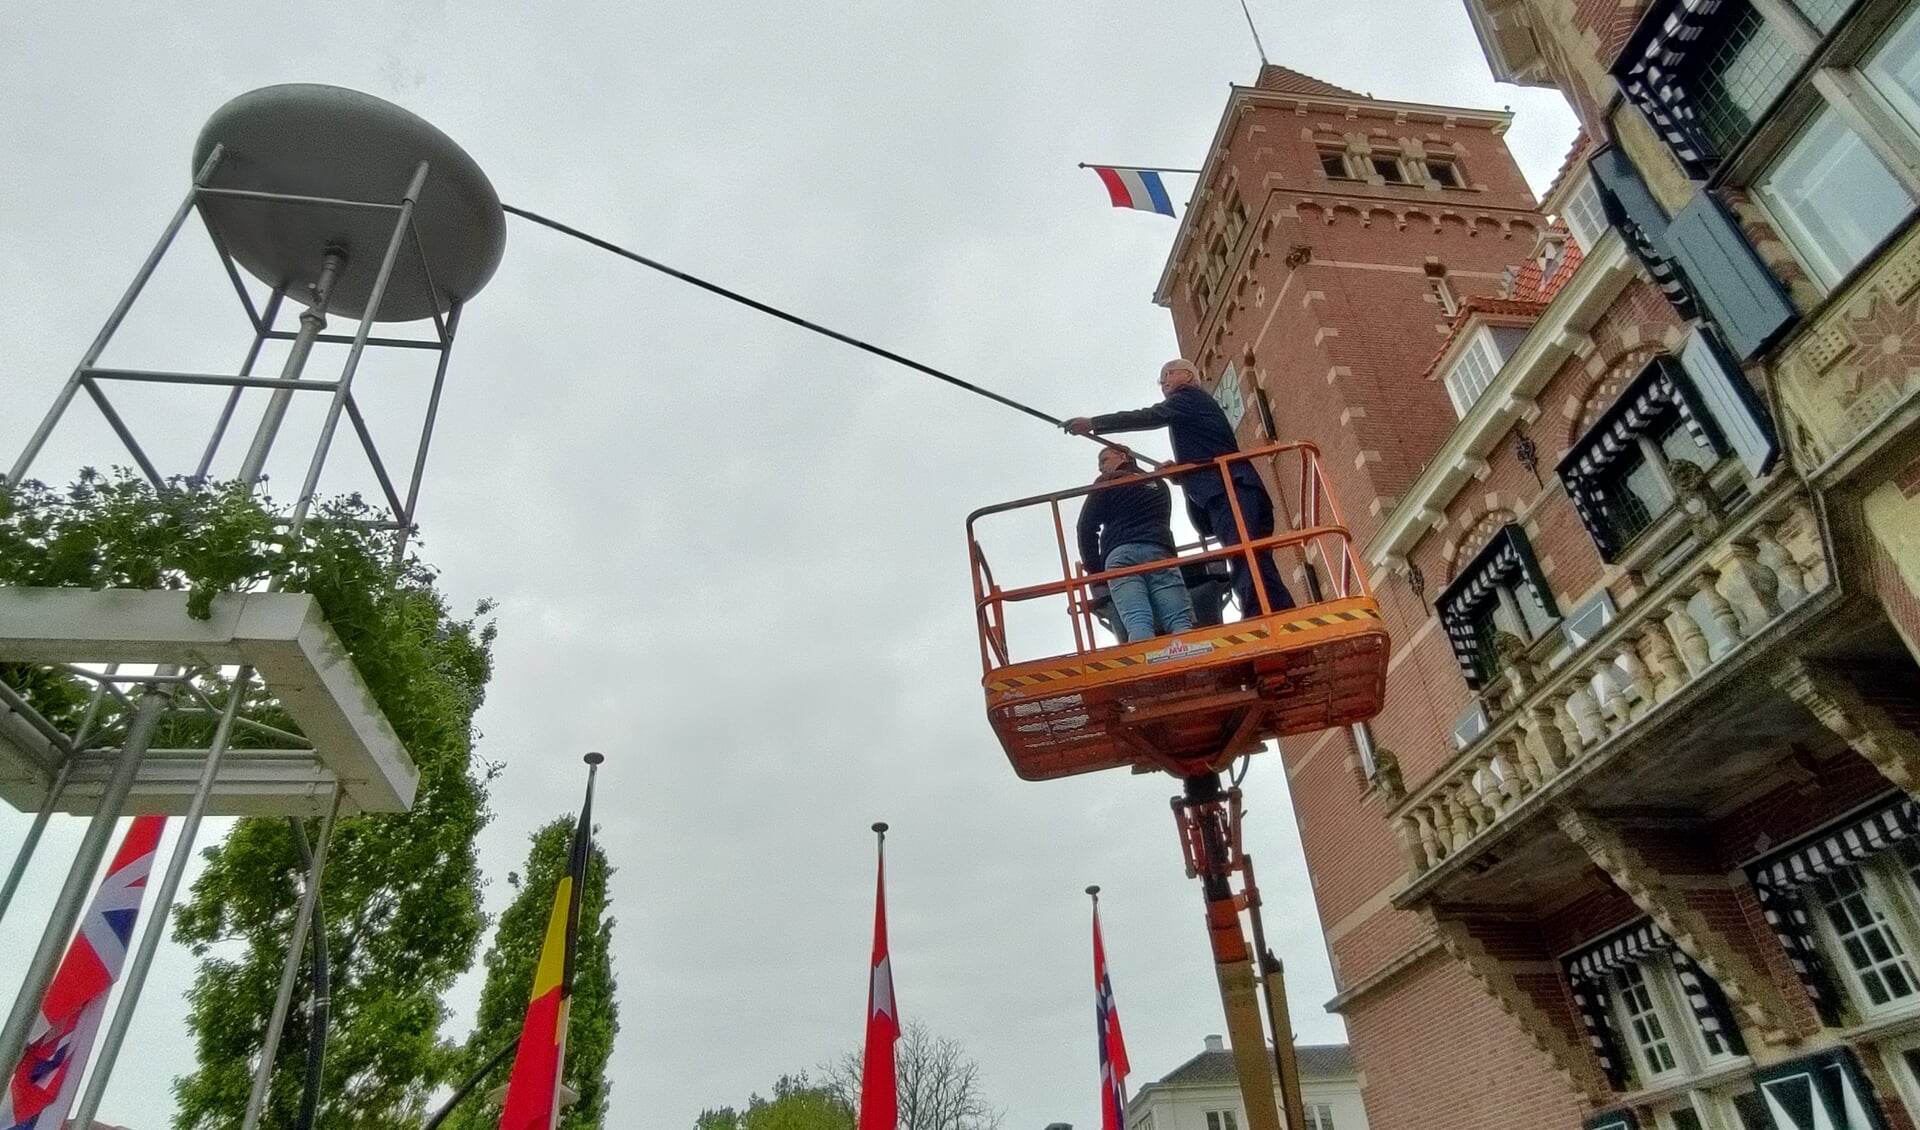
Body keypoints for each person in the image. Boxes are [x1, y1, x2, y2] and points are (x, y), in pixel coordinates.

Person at [1064, 359, 1295, 615]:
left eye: (1167, 374)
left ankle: (1260, 613)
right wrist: (1182, 471)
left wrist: (1094, 423)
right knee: (1251, 554)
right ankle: (1278, 610)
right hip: (1230, 489)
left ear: (1187, 376)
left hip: (1230, 488)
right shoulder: (1192, 407)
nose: (1162, 382)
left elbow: (1149, 416)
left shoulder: (1189, 397)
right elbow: (1208, 451)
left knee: (1244, 554)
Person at [1076, 445, 1195, 643]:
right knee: (1180, 621)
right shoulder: (1159, 484)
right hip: (1158, 552)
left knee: (1138, 622)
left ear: (1123, 456)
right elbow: (1162, 519)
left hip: (1122, 558)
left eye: (1104, 460)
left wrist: (1096, 570)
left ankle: (1149, 667)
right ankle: (1194, 662)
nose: (1101, 468)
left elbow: (1086, 527)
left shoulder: (1108, 481)